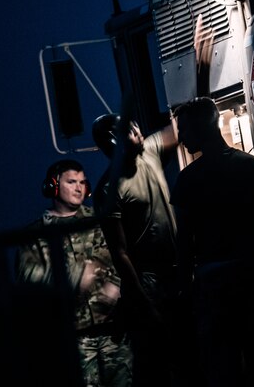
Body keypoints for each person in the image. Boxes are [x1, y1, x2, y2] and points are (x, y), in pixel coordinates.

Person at [170, 97, 254, 387]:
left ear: (201, 127)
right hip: (253, 274)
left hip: (213, 285)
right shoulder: (253, 167)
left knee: (224, 369)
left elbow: (184, 242)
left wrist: (185, 290)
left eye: (184, 129)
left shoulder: (187, 181)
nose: (181, 138)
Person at [16, 158, 133, 387]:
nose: (79, 187)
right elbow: (27, 278)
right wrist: (75, 276)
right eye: (71, 182)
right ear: (53, 186)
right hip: (73, 337)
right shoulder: (35, 234)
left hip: (113, 331)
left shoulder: (98, 221)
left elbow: (119, 256)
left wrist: (117, 285)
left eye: (82, 182)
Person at [91, 113, 183, 386]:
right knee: (162, 361)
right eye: (128, 129)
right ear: (113, 141)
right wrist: (144, 302)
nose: (137, 130)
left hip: (179, 270)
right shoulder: (109, 190)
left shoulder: (150, 150)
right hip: (151, 282)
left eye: (134, 125)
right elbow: (119, 252)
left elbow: (177, 130)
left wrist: (197, 88)